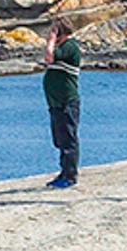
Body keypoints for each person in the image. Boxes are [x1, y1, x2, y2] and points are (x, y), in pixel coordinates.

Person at [40, 19, 82, 188]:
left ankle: (70, 176)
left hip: (67, 102)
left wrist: (51, 41)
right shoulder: (63, 48)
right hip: (56, 103)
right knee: (60, 140)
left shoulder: (70, 47)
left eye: (53, 31)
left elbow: (49, 57)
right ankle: (64, 171)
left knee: (68, 140)